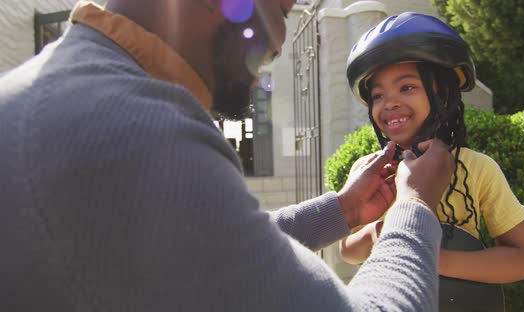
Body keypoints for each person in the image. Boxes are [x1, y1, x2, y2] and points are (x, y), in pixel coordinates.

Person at [0, 1, 455, 311]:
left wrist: (344, 209)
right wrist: (414, 207)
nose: (278, 44)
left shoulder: (63, 91)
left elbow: (199, 249)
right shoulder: (138, 133)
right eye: (281, 11)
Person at [341, 12, 524, 288]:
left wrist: (430, 258)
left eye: (407, 87)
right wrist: (376, 233)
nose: (389, 103)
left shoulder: (477, 167)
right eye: (377, 95)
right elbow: (347, 251)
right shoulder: (369, 171)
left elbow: (523, 258)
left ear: (443, 93)